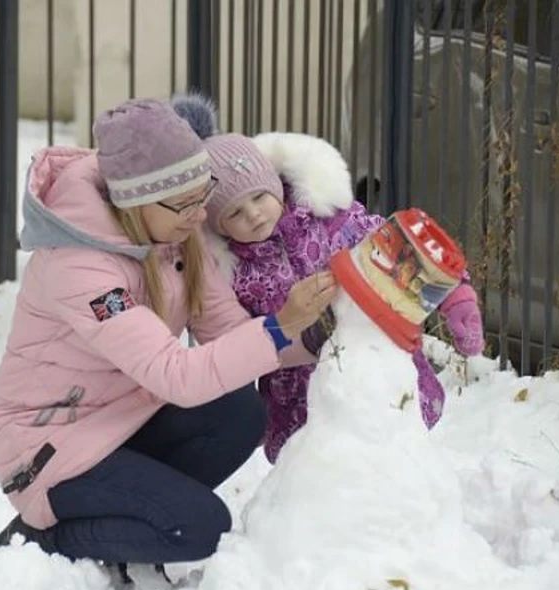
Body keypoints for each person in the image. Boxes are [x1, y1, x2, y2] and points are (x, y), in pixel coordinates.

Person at [0, 98, 335, 583]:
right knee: (198, 529)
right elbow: (177, 376)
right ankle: (39, 537)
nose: (200, 216)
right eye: (186, 204)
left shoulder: (173, 228)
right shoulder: (81, 270)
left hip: (124, 419)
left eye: (202, 195)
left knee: (240, 411)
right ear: (134, 200)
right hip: (47, 449)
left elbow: (228, 334)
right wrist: (279, 325)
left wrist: (319, 334)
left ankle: (133, 513)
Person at [171, 93, 485, 464]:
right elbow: (241, 339)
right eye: (235, 213)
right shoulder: (234, 273)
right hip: (300, 393)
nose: (254, 214)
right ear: (217, 226)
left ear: (274, 184)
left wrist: (455, 298)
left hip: (371, 361)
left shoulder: (330, 220)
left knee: (392, 458)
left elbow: (405, 249)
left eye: (258, 197)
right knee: (323, 474)